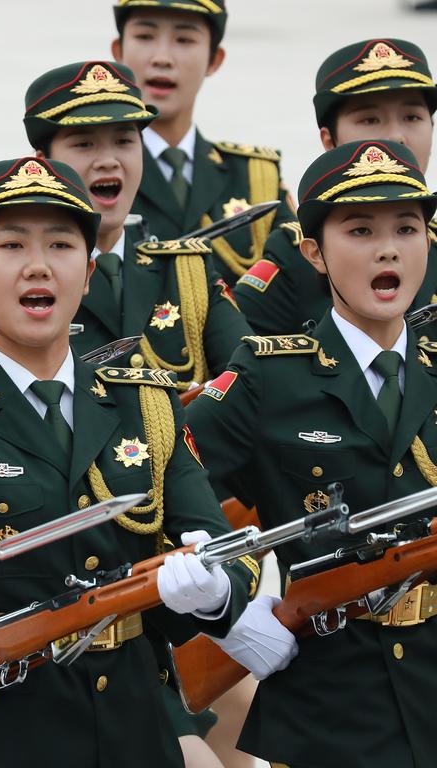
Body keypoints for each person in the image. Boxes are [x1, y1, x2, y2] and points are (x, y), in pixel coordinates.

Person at [0, 156, 260, 767]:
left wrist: (213, 589)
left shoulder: (143, 404)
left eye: (61, 244)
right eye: (10, 244)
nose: (37, 265)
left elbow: (227, 549)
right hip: (1, 726)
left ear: (89, 272)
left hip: (135, 722)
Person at [187, 139, 437, 767]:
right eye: (359, 229)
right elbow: (160, 479)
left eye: (407, 227)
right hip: (332, 697)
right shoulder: (269, 378)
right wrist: (228, 609)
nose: (388, 248)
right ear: (313, 252)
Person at [0, 60, 251, 394]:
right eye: (84, 144)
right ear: (44, 164)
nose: (109, 160)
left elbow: (252, 381)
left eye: (124, 142)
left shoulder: (188, 276)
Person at [235, 38, 437, 335]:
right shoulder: (294, 256)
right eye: (370, 119)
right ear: (328, 141)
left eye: (412, 117)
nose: (397, 136)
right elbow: (240, 359)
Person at [111, 0, 296, 285]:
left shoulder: (256, 178)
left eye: (184, 39)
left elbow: (295, 286)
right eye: (145, 37)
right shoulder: (85, 173)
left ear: (214, 60)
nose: (162, 58)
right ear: (118, 52)